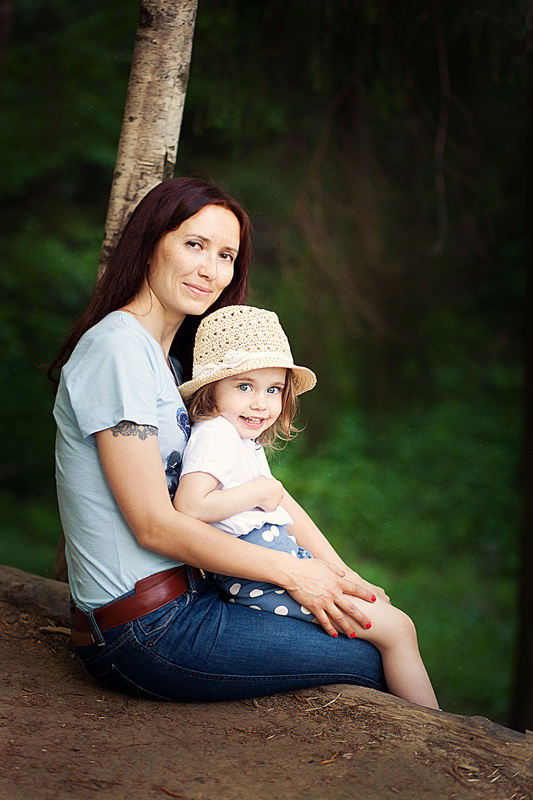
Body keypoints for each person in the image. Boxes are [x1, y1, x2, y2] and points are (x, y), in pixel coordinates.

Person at [50, 176, 389, 703]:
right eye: (195, 244)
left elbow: (267, 490)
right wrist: (293, 572)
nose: (211, 270)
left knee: (376, 624)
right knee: (368, 659)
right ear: (150, 243)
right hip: (146, 629)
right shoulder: (118, 350)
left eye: (226, 255)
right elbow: (153, 524)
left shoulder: (172, 366)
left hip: (190, 598)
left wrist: (342, 575)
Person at [174, 305, 439, 709]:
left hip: (274, 564)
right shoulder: (217, 436)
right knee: (398, 630)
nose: (261, 403)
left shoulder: (236, 437)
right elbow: (190, 506)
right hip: (262, 576)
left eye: (273, 389)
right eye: (244, 386)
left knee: (390, 620)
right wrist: (260, 492)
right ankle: (434, 728)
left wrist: (346, 575)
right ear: (211, 389)